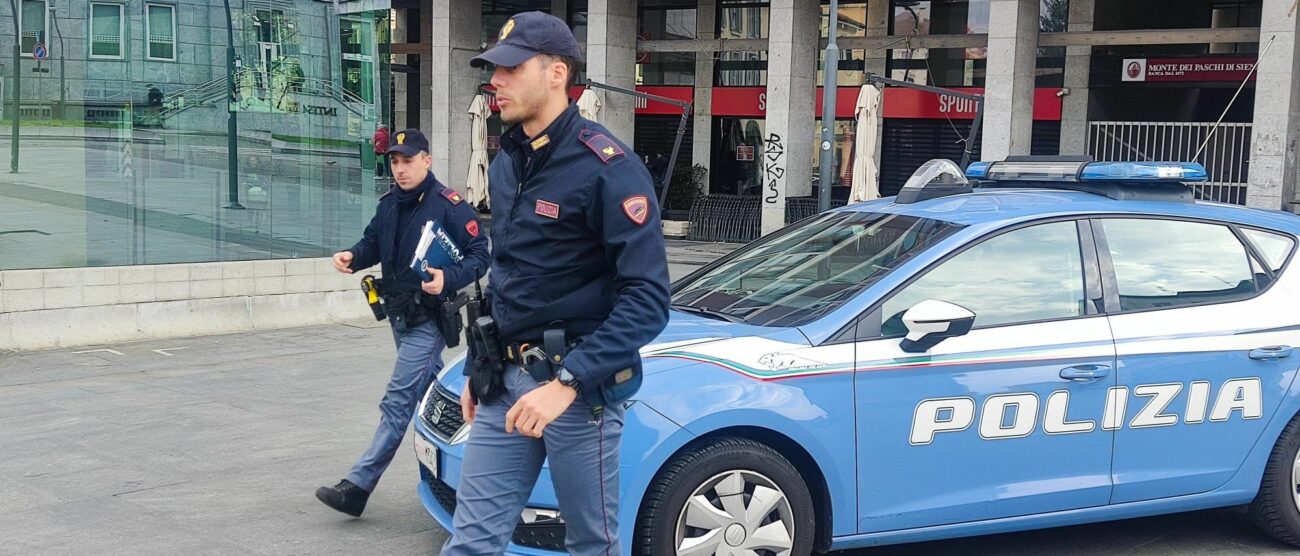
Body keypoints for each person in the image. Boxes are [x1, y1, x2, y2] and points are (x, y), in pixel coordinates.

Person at [442, 11, 671, 555]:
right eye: (493, 70)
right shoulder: (508, 163)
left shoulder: (607, 167)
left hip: (579, 394)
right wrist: (481, 367)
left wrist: (567, 383)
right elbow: (508, 277)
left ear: (556, 73)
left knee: (591, 544)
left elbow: (648, 300)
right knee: (470, 543)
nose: (495, 82)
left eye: (511, 68)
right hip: (505, 385)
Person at [316, 128, 489, 517]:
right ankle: (475, 470)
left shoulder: (451, 206)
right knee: (438, 400)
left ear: (427, 160)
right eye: (394, 161)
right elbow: (372, 244)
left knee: (398, 401)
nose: (400, 169)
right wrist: (351, 256)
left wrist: (449, 278)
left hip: (428, 318)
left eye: (408, 160)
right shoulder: (390, 203)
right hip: (398, 314)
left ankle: (358, 486)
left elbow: (481, 255)